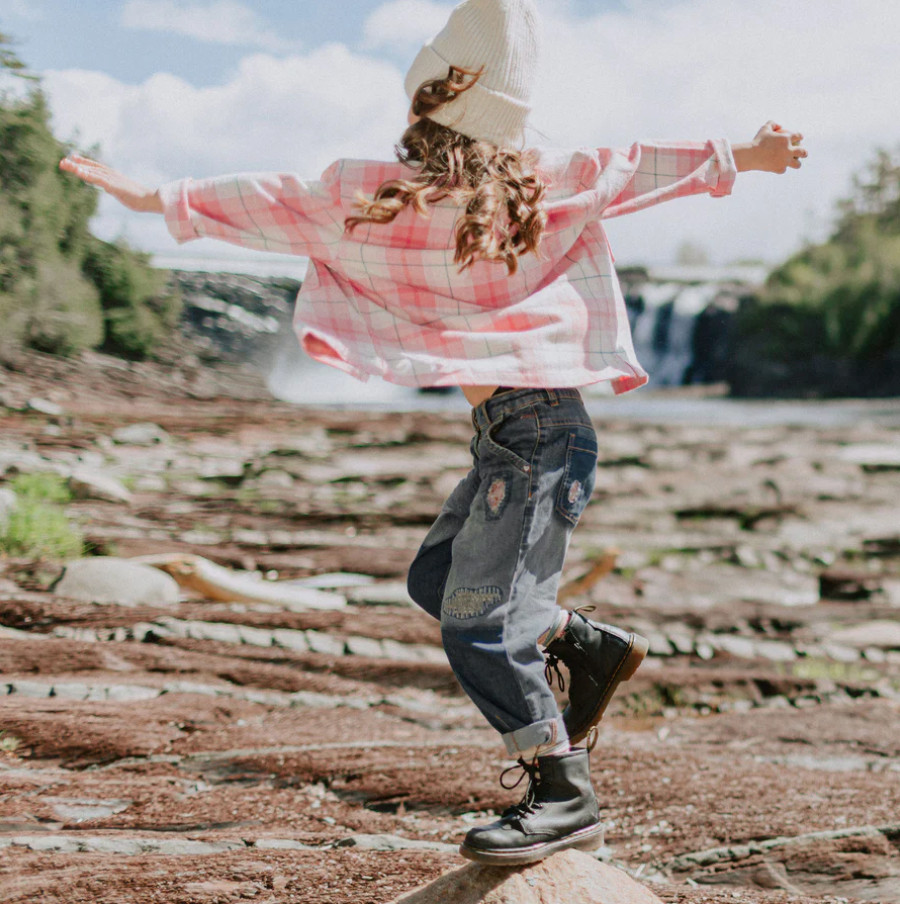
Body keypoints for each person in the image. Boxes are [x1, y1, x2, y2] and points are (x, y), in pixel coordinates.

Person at [60, 0, 807, 866]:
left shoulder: (528, 184)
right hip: (510, 439)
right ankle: (582, 644)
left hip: (542, 438)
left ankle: (562, 789)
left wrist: (739, 159)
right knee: (434, 579)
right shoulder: (387, 196)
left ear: (428, 103)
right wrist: (159, 196)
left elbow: (631, 169)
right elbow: (282, 200)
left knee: (477, 628)